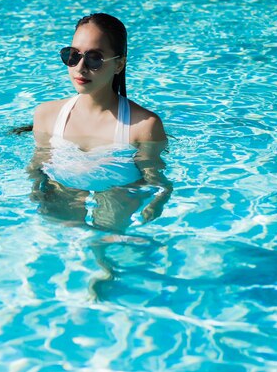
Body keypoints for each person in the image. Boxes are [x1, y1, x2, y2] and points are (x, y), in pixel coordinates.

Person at [27, 13, 172, 231]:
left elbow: (155, 178)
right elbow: (38, 163)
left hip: (120, 190)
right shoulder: (45, 115)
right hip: (63, 186)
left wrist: (159, 199)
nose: (80, 67)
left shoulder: (144, 126)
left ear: (119, 64)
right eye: (73, 55)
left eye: (95, 58)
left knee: (107, 238)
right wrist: (35, 186)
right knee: (59, 233)